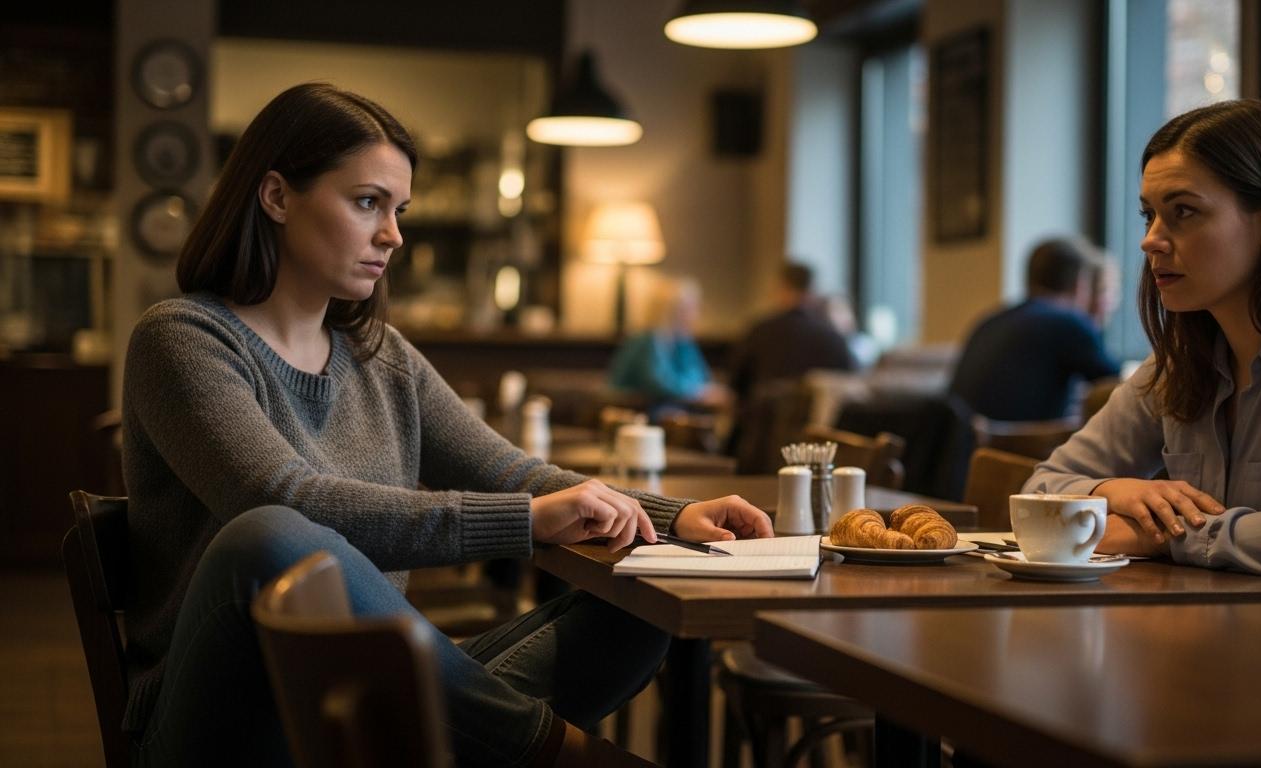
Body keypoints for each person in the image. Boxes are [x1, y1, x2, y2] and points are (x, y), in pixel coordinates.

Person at [120, 83, 773, 767]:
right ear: (277, 196)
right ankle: (551, 752)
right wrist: (526, 521)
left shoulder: (381, 357)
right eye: (367, 202)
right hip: (228, 723)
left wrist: (674, 518)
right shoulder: (184, 339)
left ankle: (473, 741)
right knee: (270, 534)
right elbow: (285, 498)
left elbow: (516, 474)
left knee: (645, 596)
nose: (393, 235)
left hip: (367, 704)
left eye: (398, 210)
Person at [1025, 99, 1261, 599]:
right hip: (1224, 644)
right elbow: (1040, 489)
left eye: (1183, 212)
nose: (1150, 241)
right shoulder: (1180, 361)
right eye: (1149, 216)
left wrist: (1166, 536)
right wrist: (1108, 491)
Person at [948, 237, 1120, 421]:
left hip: (965, 445)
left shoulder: (989, 321)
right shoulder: (1068, 322)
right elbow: (1118, 385)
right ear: (1080, 283)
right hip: (1013, 446)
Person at [728, 261, 856, 404]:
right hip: (816, 423)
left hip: (762, 422)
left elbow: (736, 383)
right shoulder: (832, 336)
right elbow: (849, 383)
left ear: (782, 287)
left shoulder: (759, 331)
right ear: (812, 291)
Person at [607, 277, 726, 418]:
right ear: (670, 310)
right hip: (632, 411)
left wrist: (702, 391)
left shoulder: (683, 342)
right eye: (688, 308)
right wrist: (697, 391)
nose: (695, 314)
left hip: (667, 408)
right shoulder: (646, 341)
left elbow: (701, 377)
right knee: (674, 415)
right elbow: (658, 384)